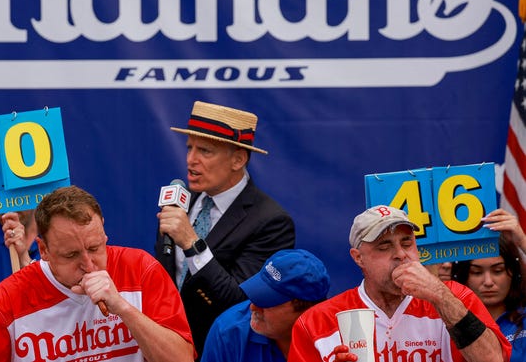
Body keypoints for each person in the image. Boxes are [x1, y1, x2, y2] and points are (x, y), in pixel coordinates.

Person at [0, 185, 194, 362]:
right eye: (71, 255)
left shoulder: (140, 268)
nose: (88, 264)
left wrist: (124, 309)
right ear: (43, 250)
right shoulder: (7, 301)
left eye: (95, 248)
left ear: (104, 233)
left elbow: (182, 359)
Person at [155, 100, 296, 358]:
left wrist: (192, 243)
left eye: (205, 151)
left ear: (238, 159)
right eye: (189, 148)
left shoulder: (272, 221)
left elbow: (242, 303)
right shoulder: (179, 202)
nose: (190, 160)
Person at [288, 205, 511, 362]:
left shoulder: (456, 297)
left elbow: (494, 359)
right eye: (384, 247)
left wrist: (440, 296)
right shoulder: (315, 322)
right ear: (358, 258)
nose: (400, 254)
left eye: (407, 243)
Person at [200, 249, 330, 362]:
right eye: (257, 294)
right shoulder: (228, 331)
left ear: (307, 311)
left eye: (267, 301)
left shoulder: (337, 339)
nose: (253, 307)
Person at [452, 209, 526, 361]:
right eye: (476, 272)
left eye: (498, 271)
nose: (488, 282)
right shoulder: (448, 324)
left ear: (513, 272)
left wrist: (522, 241)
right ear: (463, 277)